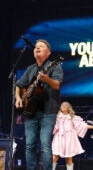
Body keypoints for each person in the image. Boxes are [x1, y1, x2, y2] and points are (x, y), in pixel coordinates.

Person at [15, 39, 63, 170]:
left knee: (45, 144)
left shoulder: (54, 66)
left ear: (48, 52)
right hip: (31, 112)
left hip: (48, 111)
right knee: (30, 144)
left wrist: (46, 79)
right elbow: (19, 85)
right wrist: (18, 97)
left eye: (41, 46)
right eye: (36, 46)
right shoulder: (30, 69)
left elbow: (57, 85)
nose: (37, 48)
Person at [52, 102, 93, 170]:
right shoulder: (56, 117)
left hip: (69, 138)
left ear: (68, 108)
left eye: (65, 105)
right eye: (62, 105)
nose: (63, 106)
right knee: (55, 156)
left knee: (69, 158)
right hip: (59, 137)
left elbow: (83, 125)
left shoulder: (73, 118)